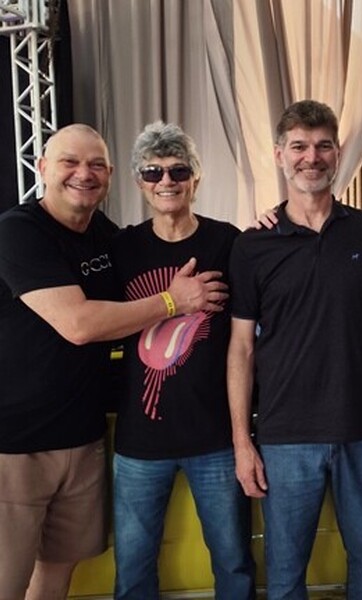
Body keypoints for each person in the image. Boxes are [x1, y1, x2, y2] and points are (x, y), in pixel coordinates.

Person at [0, 124, 227, 600]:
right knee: (7, 578)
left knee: (58, 571)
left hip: (84, 438)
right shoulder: (18, 231)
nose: (83, 174)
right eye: (69, 162)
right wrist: (174, 301)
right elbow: (79, 324)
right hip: (17, 443)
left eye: (96, 165)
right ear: (42, 167)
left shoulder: (107, 238)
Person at [227, 99, 362, 600]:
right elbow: (241, 348)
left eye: (322, 146)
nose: (311, 157)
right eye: (299, 147)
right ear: (279, 155)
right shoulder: (252, 246)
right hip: (286, 436)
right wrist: (242, 441)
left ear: (337, 154)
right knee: (286, 573)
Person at [110, 121, 255, 600]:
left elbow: (251, 329)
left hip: (215, 436)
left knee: (233, 562)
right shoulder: (121, 248)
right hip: (139, 441)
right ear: (139, 182)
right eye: (153, 172)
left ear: (195, 178)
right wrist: (173, 302)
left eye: (178, 170)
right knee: (133, 568)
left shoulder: (228, 242)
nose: (166, 181)